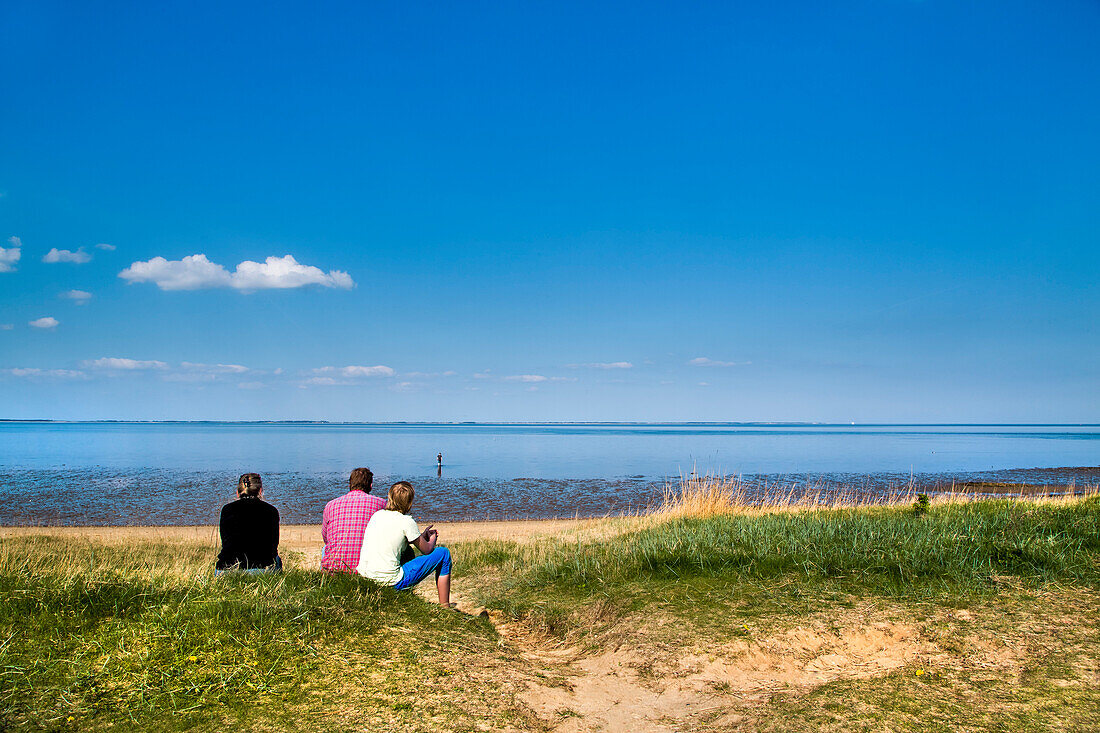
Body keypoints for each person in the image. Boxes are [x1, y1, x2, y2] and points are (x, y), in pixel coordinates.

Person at [357, 481, 452, 606]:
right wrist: (432, 539)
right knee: (443, 554)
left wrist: (420, 537)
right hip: (391, 582)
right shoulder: (406, 521)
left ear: (389, 497)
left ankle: (405, 595)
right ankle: (445, 606)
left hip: (366, 578)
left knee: (408, 552)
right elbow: (427, 550)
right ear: (409, 502)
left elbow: (394, 539)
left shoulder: (377, 515)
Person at [321, 467, 386, 572]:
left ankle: (325, 581)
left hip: (334, 570)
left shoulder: (331, 505)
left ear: (350, 485)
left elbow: (326, 537)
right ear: (370, 486)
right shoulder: (381, 504)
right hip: (367, 571)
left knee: (326, 548)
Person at [215, 473, 281, 574]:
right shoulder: (271, 511)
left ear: (238, 493)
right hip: (262, 568)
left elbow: (226, 542)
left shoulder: (227, 510)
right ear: (260, 491)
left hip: (228, 568)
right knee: (276, 559)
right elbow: (273, 545)